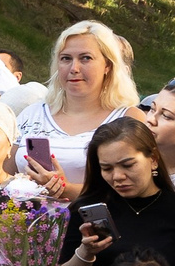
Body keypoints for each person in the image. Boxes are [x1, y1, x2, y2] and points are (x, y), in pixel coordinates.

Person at [9, 19, 137, 190]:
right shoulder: (31, 114)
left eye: (86, 58)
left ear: (107, 65)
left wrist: (65, 188)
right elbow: (6, 175)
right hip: (26, 215)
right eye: (66, 58)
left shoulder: (128, 118)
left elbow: (134, 187)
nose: (74, 68)